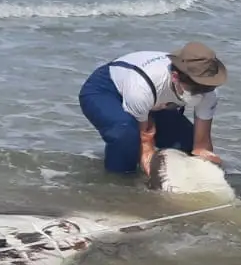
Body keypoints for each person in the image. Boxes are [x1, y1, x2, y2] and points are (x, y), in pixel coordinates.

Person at [78, 42, 228, 175]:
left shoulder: (208, 90)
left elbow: (201, 144)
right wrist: (147, 160)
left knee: (186, 147)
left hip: (156, 101)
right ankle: (118, 185)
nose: (200, 94)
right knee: (126, 135)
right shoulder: (142, 87)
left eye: (205, 89)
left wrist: (205, 165)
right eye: (195, 89)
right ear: (175, 77)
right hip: (106, 90)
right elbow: (145, 142)